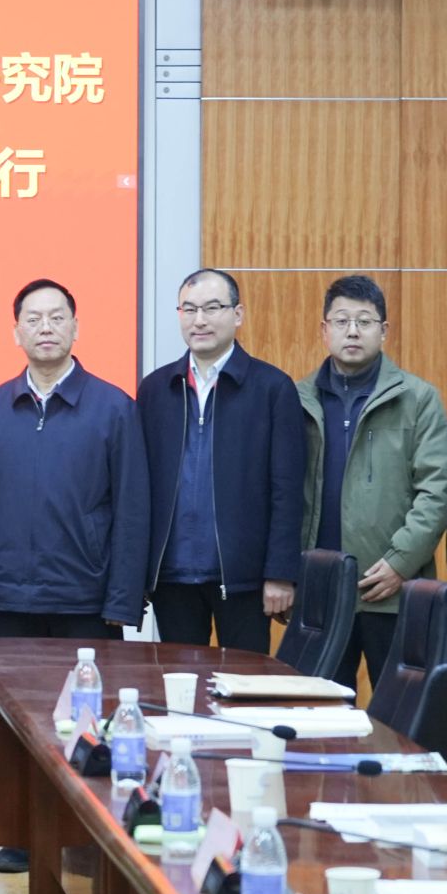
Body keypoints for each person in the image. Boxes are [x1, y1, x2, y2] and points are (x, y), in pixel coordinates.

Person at [0, 278, 149, 641]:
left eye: (57, 318)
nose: (46, 328)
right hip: (8, 597)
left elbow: (133, 509)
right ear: (16, 333)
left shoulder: (114, 408)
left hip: (85, 598)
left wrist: (123, 600)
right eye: (33, 319)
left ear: (75, 328)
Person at [139, 269, 306, 653]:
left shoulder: (272, 388)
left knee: (246, 683)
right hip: (172, 574)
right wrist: (137, 574)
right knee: (178, 682)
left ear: (237, 314)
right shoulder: (156, 389)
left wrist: (280, 572)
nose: (199, 320)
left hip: (244, 576)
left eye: (212, 308)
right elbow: (139, 489)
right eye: (189, 309)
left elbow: (287, 489)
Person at [296, 275, 447, 689]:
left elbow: (435, 491)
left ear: (384, 331)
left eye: (364, 321)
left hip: (390, 589)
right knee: (321, 710)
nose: (352, 331)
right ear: (324, 329)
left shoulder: (417, 398)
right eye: (341, 320)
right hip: (321, 588)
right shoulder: (298, 399)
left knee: (397, 709)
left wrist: (400, 562)